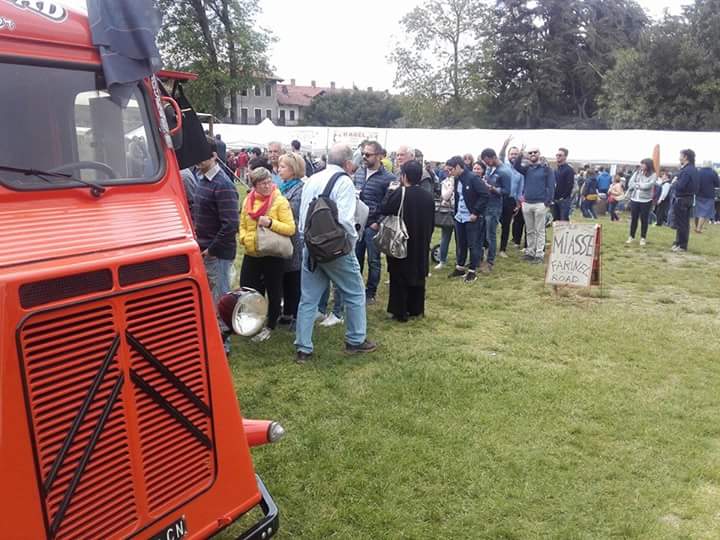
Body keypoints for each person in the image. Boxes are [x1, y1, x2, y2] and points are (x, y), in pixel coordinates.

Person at [294, 144, 376, 363]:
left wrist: (307, 242)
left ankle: (303, 348)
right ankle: (356, 340)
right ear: (348, 163)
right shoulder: (344, 182)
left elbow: (303, 217)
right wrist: (351, 242)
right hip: (336, 248)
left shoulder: (312, 179)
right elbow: (347, 220)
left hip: (311, 246)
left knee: (308, 298)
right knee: (355, 291)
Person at [193, 137, 239, 354]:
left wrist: (211, 249)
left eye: (202, 154)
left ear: (214, 156)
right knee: (210, 300)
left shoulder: (223, 185)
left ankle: (224, 346)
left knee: (220, 300)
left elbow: (231, 224)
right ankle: (214, 341)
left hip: (216, 253)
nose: (197, 159)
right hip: (204, 250)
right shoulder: (202, 179)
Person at [239, 167, 296, 342]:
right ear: (254, 185)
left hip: (272, 254)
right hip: (252, 253)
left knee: (274, 291)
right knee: (249, 289)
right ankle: (252, 321)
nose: (267, 186)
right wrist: (243, 238)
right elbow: (242, 223)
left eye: (269, 182)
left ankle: (270, 324)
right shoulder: (248, 201)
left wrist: (271, 222)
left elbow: (290, 228)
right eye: (262, 183)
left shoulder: (279, 201)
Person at [380, 160, 434, 322]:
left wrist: (390, 191)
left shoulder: (400, 193)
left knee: (399, 274)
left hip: (402, 238)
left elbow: (385, 208)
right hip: (422, 238)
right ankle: (416, 309)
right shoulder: (428, 196)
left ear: (404, 176)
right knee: (418, 273)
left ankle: (400, 311)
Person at [353, 141, 396, 304]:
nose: (364, 157)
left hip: (373, 225)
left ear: (379, 156)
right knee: (356, 258)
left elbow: (390, 203)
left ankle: (371, 292)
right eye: (363, 153)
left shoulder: (389, 178)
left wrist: (377, 222)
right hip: (357, 224)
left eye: (368, 154)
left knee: (373, 259)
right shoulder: (358, 173)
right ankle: (356, 289)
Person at [446, 155, 489, 282]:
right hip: (460, 217)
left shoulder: (473, 178)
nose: (449, 172)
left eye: (451, 169)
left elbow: (485, 195)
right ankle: (460, 268)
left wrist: (475, 212)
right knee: (461, 243)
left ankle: (472, 271)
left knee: (473, 244)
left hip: (472, 218)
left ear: (458, 167)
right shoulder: (457, 179)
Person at [276, 152, 306, 329]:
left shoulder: (299, 189)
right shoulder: (283, 186)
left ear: (293, 170)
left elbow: (293, 214)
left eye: (283, 167)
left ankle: (294, 314)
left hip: (293, 239)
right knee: (283, 275)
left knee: (293, 277)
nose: (279, 170)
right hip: (280, 237)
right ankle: (285, 311)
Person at [514, 147, 555, 263]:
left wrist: (547, 202)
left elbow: (551, 186)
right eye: (530, 152)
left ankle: (539, 254)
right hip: (527, 203)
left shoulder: (547, 169)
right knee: (530, 230)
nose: (532, 154)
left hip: (540, 204)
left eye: (535, 152)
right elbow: (516, 166)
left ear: (539, 154)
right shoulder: (527, 169)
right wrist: (521, 154)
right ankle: (530, 252)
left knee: (540, 230)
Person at [479, 149, 512, 271]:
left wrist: (492, 188)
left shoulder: (504, 171)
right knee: (483, 234)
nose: (486, 164)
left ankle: (490, 262)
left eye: (487, 161)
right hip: (485, 205)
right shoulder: (490, 168)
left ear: (493, 157)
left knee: (491, 235)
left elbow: (507, 191)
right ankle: (480, 258)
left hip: (494, 207)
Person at [671, 149, 700, 252]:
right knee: (684, 223)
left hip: (682, 199)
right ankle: (679, 243)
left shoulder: (686, 170)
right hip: (689, 198)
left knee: (681, 223)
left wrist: (675, 182)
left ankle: (682, 245)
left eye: (680, 155)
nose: (679, 158)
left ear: (686, 157)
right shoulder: (694, 169)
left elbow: (681, 186)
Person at [625, 159, 657, 246]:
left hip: (646, 200)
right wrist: (637, 185)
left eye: (643, 164)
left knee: (644, 220)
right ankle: (631, 236)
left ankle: (643, 238)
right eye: (641, 164)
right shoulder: (637, 172)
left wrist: (638, 185)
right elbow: (630, 183)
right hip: (635, 199)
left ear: (648, 165)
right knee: (634, 219)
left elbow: (649, 185)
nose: (641, 165)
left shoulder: (653, 175)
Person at [434, 169, 455, 270]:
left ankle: (460, 261)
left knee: (460, 239)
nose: (449, 171)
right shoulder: (445, 182)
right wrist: (451, 184)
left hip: (460, 212)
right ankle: (442, 260)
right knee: (445, 237)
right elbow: (445, 196)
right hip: (448, 211)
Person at [695, 161, 719, 233]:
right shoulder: (713, 172)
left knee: (698, 211)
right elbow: (717, 184)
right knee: (704, 212)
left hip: (698, 194)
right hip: (709, 195)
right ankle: (699, 228)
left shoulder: (698, 172)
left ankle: (697, 226)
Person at [553, 148, 575, 221]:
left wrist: (563, 197)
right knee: (556, 222)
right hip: (555, 199)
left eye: (560, 155)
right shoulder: (556, 169)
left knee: (563, 222)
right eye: (557, 155)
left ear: (565, 157)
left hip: (564, 200)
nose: (558, 157)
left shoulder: (569, 170)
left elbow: (570, 185)